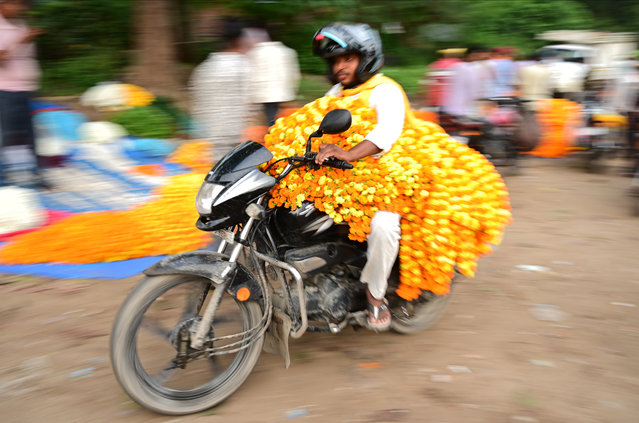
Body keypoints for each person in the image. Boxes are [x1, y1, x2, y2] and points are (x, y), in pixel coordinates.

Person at [312, 22, 406, 331]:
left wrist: (348, 153)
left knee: (384, 225)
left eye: (347, 59)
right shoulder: (336, 93)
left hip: (386, 176)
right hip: (342, 175)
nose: (340, 66)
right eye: (335, 61)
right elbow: (310, 119)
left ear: (366, 58)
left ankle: (376, 295)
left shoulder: (384, 90)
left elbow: (385, 133)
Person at [189, 18, 253, 163]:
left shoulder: (205, 67)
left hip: (212, 132)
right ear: (238, 40)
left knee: (214, 171)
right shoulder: (243, 66)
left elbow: (198, 100)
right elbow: (249, 100)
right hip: (235, 132)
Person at [0, 0, 44, 187]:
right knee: (5, 135)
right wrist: (22, 40)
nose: (21, 8)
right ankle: (2, 179)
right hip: (5, 90)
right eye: (16, 4)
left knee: (32, 135)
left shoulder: (20, 24)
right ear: (2, 4)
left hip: (26, 88)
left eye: (22, 4)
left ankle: (37, 175)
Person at [246, 26, 300, 127]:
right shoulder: (288, 52)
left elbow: (251, 75)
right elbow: (294, 74)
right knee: (279, 118)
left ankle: (271, 133)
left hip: (263, 94)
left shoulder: (255, 52)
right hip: (282, 93)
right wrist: (293, 88)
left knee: (267, 119)